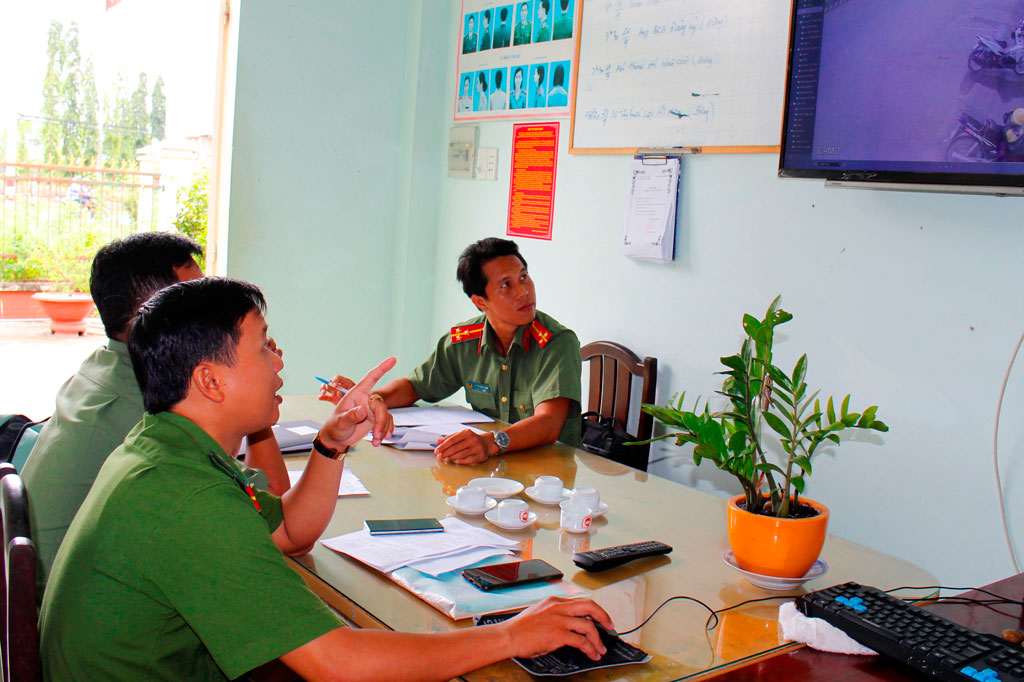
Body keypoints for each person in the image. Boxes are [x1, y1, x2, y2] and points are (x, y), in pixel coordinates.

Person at [39, 277, 612, 681]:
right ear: (211, 382)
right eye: (262, 346)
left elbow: (290, 532)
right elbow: (339, 665)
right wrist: (514, 635)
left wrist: (331, 444)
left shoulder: (169, 450)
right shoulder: (185, 496)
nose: (279, 360)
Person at [22, 233, 287, 594]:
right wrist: (257, 395)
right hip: (89, 621)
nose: (215, 314)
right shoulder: (153, 408)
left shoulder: (103, 369)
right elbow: (277, 515)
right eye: (194, 298)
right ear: (154, 312)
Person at [324, 238, 582, 466]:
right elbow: (417, 385)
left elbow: (548, 425)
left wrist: (490, 443)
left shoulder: (556, 343)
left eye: (524, 277)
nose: (523, 292)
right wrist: (374, 399)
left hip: (548, 472)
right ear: (480, 302)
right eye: (506, 285)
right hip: (491, 466)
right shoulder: (463, 341)